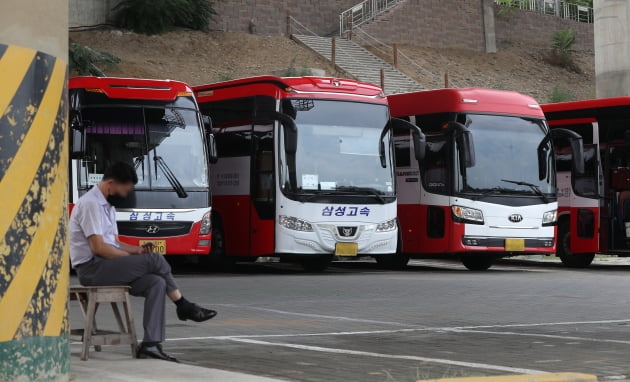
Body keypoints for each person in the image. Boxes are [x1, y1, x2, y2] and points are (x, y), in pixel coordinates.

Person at [69, 162, 216, 362]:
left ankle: (151, 344)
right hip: (92, 268)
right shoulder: (91, 204)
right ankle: (183, 305)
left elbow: (114, 242)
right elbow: (99, 248)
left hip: (107, 266)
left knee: (157, 282)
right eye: (125, 189)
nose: (126, 195)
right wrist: (136, 258)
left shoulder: (107, 206)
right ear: (111, 183)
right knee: (154, 259)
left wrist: (137, 250)